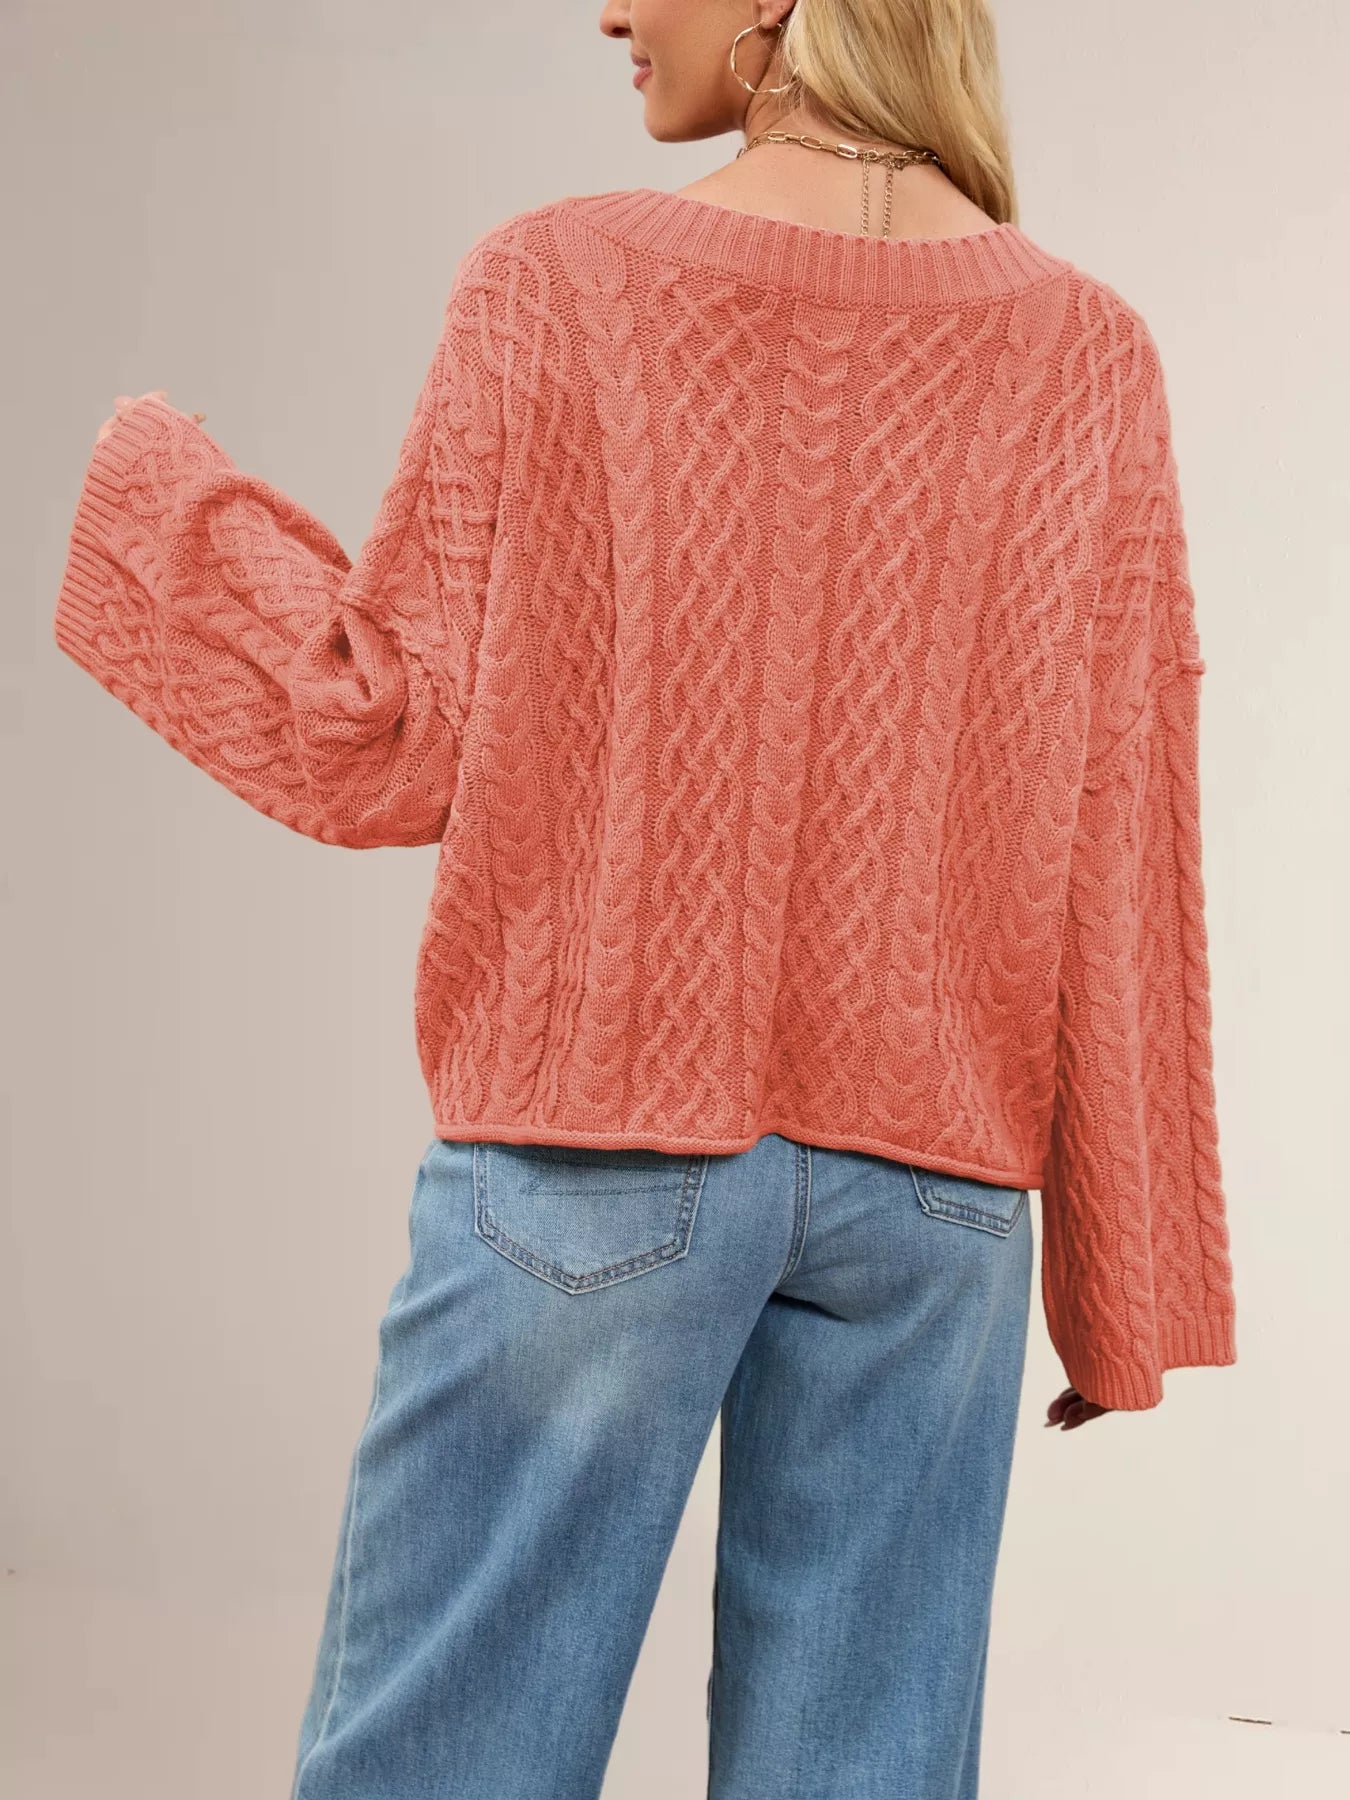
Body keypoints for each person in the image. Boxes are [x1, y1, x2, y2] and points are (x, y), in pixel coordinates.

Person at [54, 1, 1238, 1794]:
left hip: (597, 1144)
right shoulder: (1089, 350)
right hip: (938, 1204)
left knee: (444, 1766)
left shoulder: (555, 280)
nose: (609, 10)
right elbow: (1122, 815)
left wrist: (149, 508)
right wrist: (1117, 1272)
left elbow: (383, 737)